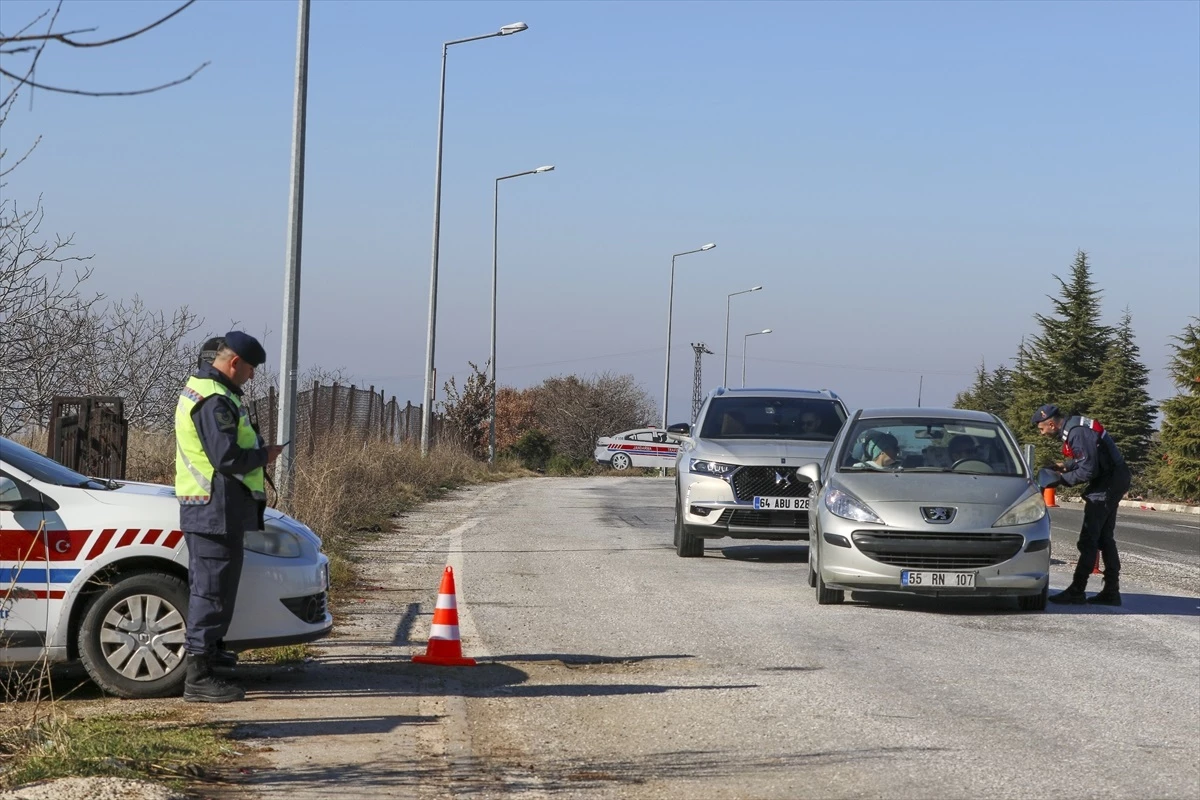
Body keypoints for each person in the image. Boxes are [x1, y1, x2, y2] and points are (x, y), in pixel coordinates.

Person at [175, 331, 284, 702]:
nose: (252, 377)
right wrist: (264, 456)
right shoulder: (213, 400)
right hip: (212, 510)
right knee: (210, 594)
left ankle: (212, 658)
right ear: (234, 362)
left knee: (216, 590)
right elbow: (227, 458)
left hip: (215, 510)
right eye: (251, 369)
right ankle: (198, 678)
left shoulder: (212, 392)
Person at [1033, 404, 1130, 606]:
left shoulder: (1076, 432)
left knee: (1089, 539)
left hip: (1108, 483)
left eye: (1041, 429)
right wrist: (1064, 466)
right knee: (1104, 538)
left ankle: (1077, 590)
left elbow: (1088, 471)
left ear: (1051, 424)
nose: (1042, 434)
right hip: (1112, 479)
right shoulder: (1075, 427)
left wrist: (1059, 479)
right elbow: (1085, 457)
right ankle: (1111, 591)